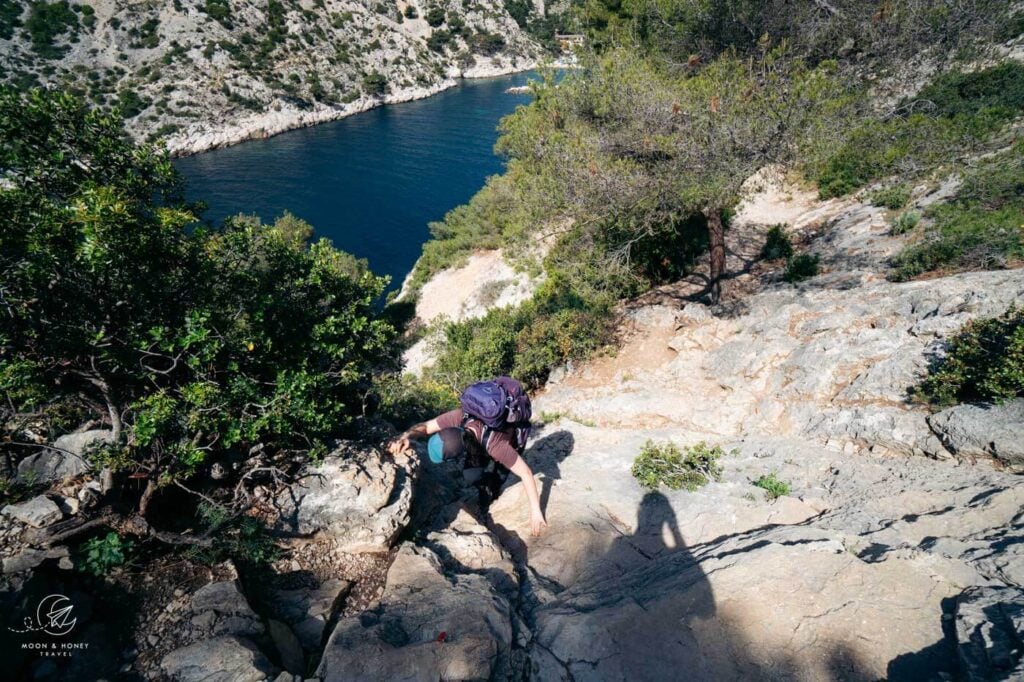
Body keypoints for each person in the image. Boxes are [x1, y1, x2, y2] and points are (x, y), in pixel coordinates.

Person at [387, 379, 548, 536]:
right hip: (477, 443)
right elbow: (427, 426)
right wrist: (406, 435)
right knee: (471, 475)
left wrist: (536, 511)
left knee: (500, 474)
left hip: (507, 439)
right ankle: (485, 489)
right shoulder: (461, 416)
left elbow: (526, 473)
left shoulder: (497, 447)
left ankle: (494, 490)